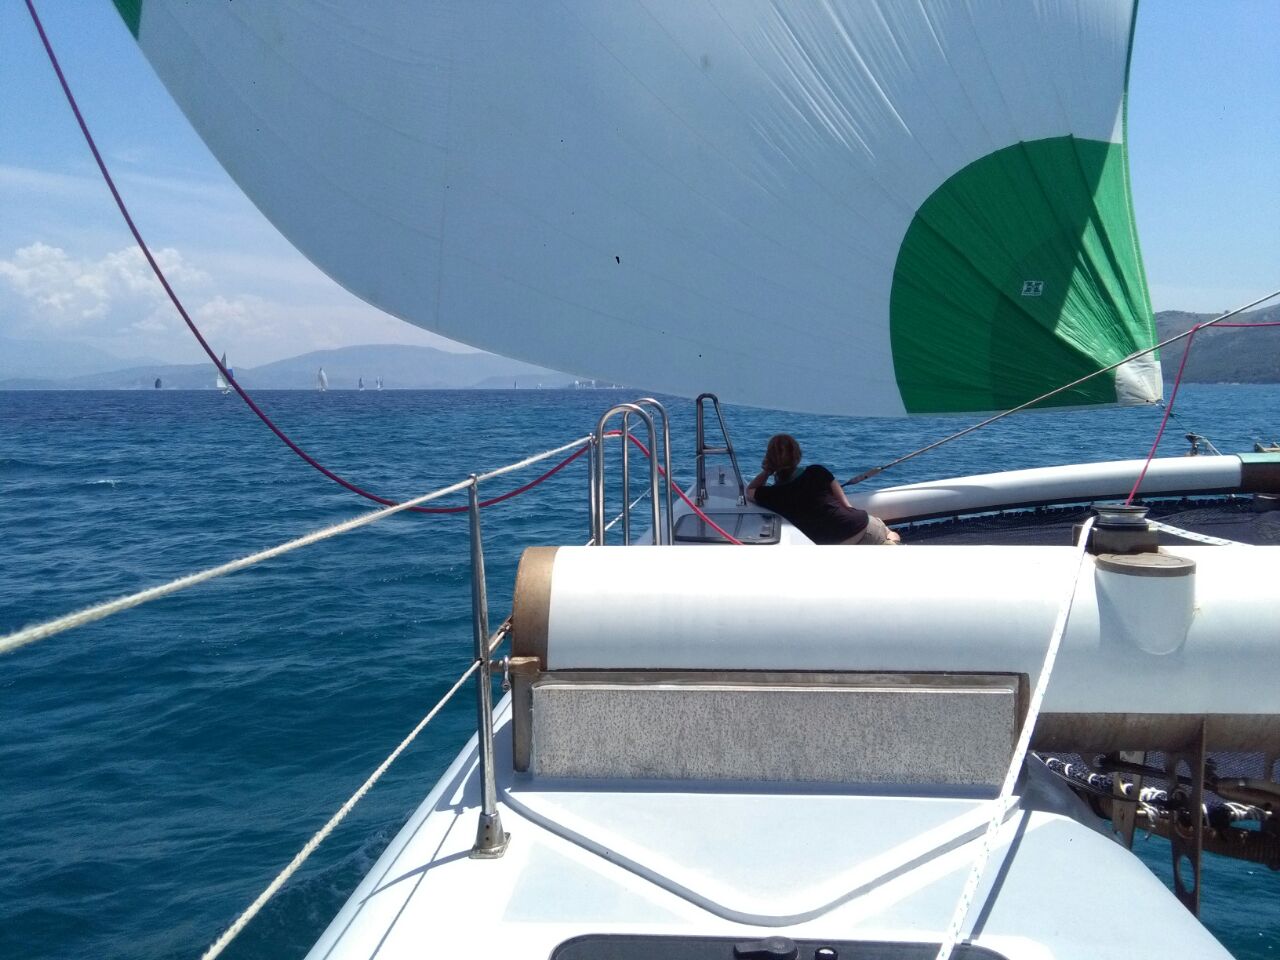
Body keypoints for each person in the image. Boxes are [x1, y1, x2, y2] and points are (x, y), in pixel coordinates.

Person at [746, 434, 900, 545]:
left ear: (769, 460)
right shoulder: (817, 471)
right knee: (889, 533)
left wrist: (767, 471)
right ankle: (892, 542)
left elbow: (750, 489)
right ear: (797, 455)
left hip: (831, 544)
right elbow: (847, 506)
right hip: (859, 527)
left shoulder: (772, 496)